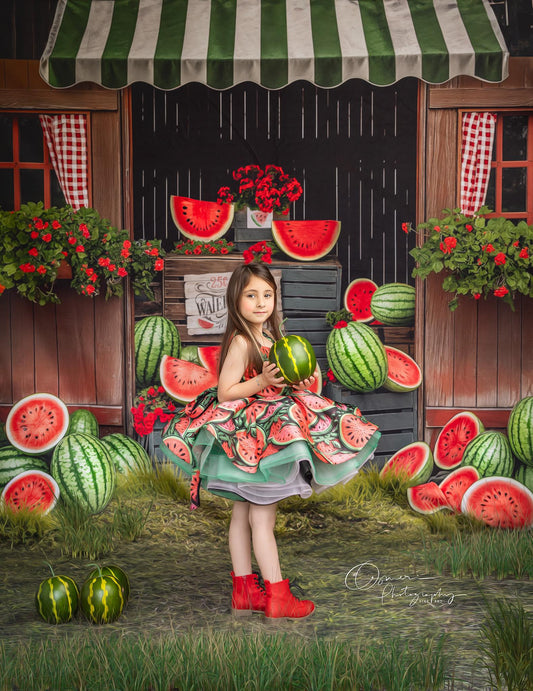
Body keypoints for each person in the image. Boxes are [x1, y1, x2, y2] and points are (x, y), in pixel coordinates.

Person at [161, 263, 380, 620]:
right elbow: (225, 392)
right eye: (251, 295)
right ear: (236, 300)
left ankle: (245, 592)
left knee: (243, 515)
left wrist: (308, 375)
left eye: (267, 295)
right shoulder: (242, 341)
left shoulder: (273, 340)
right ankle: (278, 595)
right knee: (262, 520)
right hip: (254, 441)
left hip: (262, 438)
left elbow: (289, 385)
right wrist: (262, 380)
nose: (261, 302)